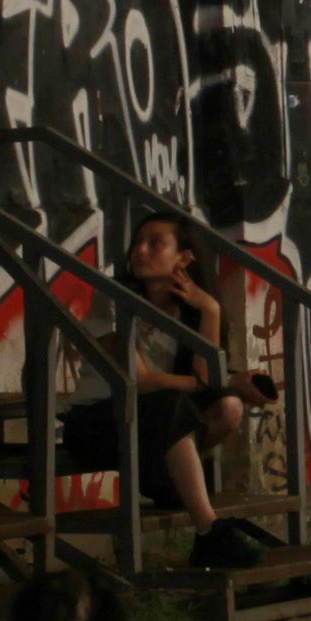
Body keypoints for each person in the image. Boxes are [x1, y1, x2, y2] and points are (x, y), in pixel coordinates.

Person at [62, 210, 278, 570]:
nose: (139, 251)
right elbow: (141, 380)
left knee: (228, 407)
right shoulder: (113, 300)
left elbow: (208, 381)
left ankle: (167, 479)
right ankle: (209, 531)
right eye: (137, 243)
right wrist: (215, 381)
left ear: (184, 258)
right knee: (173, 402)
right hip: (95, 422)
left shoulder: (190, 310)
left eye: (154, 243)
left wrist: (209, 310)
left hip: (150, 422)